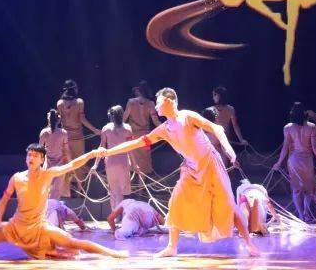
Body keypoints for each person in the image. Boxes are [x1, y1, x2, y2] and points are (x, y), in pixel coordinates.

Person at [96, 87, 260, 257]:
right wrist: (108, 151)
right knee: (176, 203)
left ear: (170, 101)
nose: (156, 106)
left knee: (228, 205)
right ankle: (171, 247)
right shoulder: (164, 129)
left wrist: (228, 149)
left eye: (159, 102)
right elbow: (137, 143)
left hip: (210, 165)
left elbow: (216, 128)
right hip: (190, 169)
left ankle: (249, 244)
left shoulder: (187, 116)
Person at [0, 144, 125, 260]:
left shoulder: (48, 174)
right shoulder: (17, 177)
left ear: (42, 160)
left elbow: (72, 164)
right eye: (29, 154)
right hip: (16, 226)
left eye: (35, 155)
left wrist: (91, 154)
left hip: (39, 227)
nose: (31, 157)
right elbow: (4, 199)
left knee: (73, 243)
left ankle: (113, 253)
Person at [273, 102, 316, 221]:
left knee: (297, 189)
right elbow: (314, 147)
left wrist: (278, 163)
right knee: (309, 189)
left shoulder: (288, 128)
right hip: (307, 160)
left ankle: (302, 215)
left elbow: (285, 147)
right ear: (304, 113)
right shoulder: (311, 126)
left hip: (294, 161)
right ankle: (306, 214)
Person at [57, 80, 101, 192]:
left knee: (66, 163)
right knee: (79, 163)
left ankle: (67, 190)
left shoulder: (60, 103)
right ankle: (79, 190)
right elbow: (82, 119)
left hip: (65, 138)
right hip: (77, 138)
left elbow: (59, 121)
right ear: (74, 89)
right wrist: (95, 130)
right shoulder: (79, 102)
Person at [91, 105, 134, 211]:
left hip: (111, 162)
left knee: (114, 191)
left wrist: (95, 165)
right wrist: (134, 164)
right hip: (123, 161)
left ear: (111, 116)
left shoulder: (106, 129)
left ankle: (115, 215)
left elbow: (101, 147)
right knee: (118, 191)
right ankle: (116, 216)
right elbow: (130, 149)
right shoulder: (128, 129)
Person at [124, 81, 161, 174]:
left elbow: (124, 118)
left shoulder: (131, 102)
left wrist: (113, 127)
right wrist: (166, 128)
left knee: (132, 158)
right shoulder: (151, 103)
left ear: (138, 90)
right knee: (144, 159)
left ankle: (135, 181)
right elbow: (156, 121)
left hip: (133, 135)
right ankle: (141, 182)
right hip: (145, 136)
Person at [39, 109, 71, 198]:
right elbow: (67, 150)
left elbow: (40, 151)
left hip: (48, 165)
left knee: (47, 191)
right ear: (58, 120)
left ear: (49, 120)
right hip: (59, 166)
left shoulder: (44, 132)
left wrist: (38, 166)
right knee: (56, 192)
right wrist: (70, 163)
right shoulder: (63, 133)